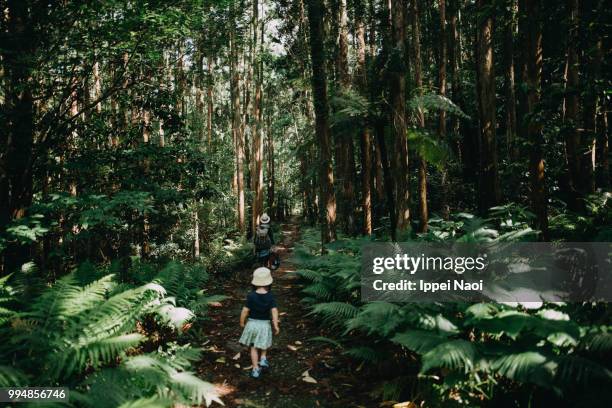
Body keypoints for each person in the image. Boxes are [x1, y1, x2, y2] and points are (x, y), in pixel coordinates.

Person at [239, 267, 280, 378]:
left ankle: (255, 369)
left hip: (252, 324)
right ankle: (263, 358)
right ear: (268, 282)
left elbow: (245, 310)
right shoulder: (270, 296)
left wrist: (242, 322)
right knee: (264, 341)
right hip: (265, 325)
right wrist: (275, 324)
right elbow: (274, 311)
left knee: (253, 347)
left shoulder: (251, 296)